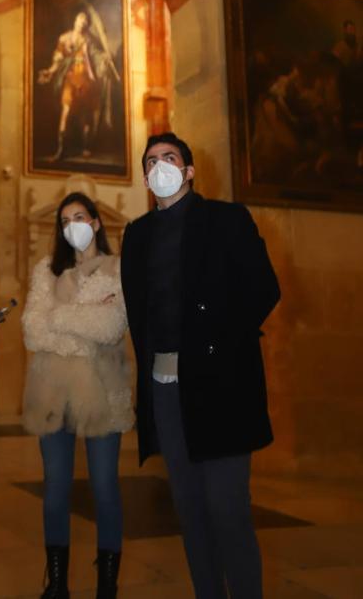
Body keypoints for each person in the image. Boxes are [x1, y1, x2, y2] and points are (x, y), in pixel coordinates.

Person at [120, 133, 280, 599]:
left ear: (189, 171)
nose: (160, 166)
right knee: (189, 510)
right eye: (151, 161)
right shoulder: (138, 235)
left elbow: (263, 289)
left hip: (221, 385)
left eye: (169, 158)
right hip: (165, 388)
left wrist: (217, 343)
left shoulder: (226, 220)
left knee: (227, 509)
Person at [22, 191, 133, 599]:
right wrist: (82, 319)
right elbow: (33, 331)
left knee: (105, 488)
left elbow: (110, 327)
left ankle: (107, 586)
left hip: (103, 393)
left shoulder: (119, 269)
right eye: (65, 220)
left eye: (80, 217)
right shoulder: (45, 271)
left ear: (97, 222)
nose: (73, 226)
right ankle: (57, 584)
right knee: (55, 490)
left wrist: (60, 318)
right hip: (52, 394)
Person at [38, 10, 119, 161]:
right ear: (75, 21)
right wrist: (50, 71)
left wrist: (104, 59)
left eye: (84, 22)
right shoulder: (65, 38)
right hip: (71, 78)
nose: (81, 24)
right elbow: (58, 57)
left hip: (87, 79)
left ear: (86, 25)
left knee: (87, 115)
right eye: (79, 21)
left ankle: (86, 147)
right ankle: (61, 149)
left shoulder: (89, 40)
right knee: (66, 112)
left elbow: (96, 56)